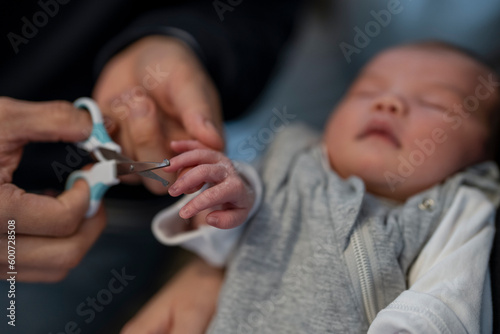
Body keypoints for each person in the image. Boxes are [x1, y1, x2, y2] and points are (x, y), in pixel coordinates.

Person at [147, 41, 500, 333]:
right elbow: (215, 243)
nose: (387, 103)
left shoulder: (461, 207)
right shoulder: (292, 157)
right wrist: (224, 198)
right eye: (367, 91)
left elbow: (444, 305)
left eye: (434, 103)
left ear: (484, 154)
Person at [0, 1, 300, 332]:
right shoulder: (299, 155)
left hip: (106, 224)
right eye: (364, 89)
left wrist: (181, 39)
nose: (370, 100)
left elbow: (259, 13)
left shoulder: (299, 155)